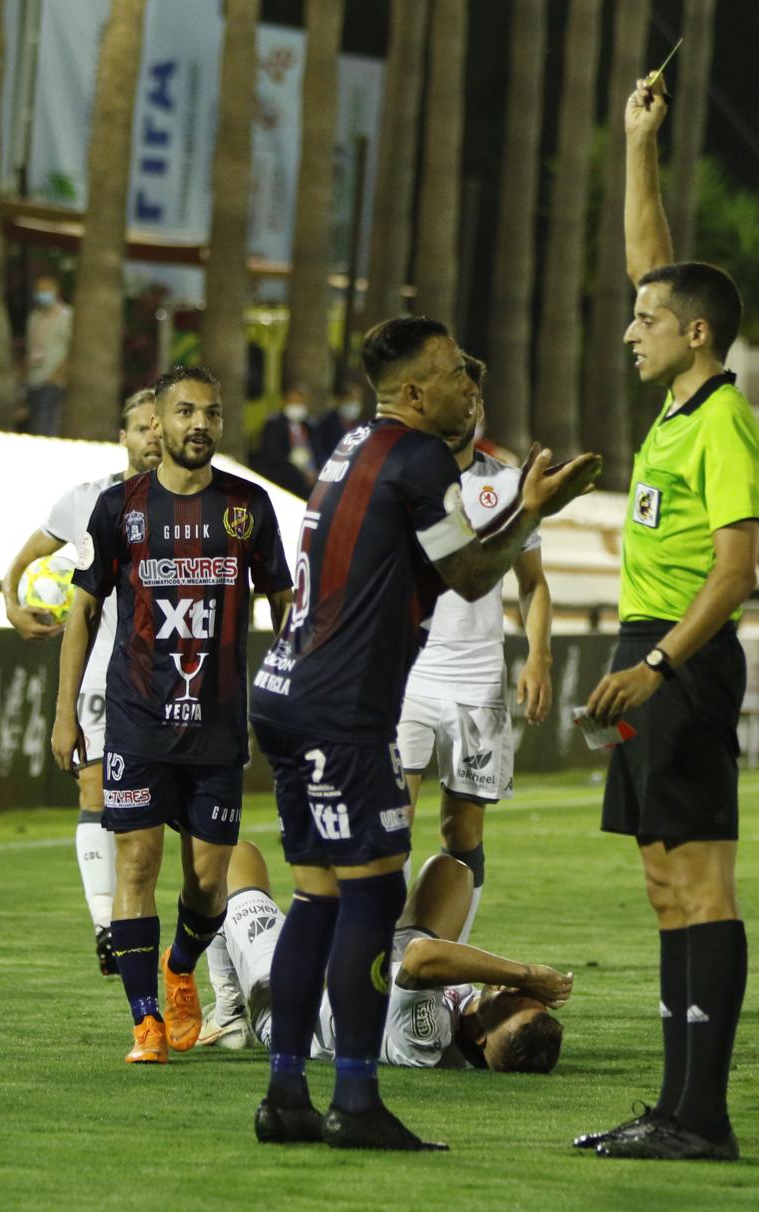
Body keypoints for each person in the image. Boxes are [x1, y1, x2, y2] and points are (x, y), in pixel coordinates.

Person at [248, 314, 598, 1152]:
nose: (467, 384)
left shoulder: (351, 449)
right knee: (372, 898)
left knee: (316, 897)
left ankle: (287, 1093)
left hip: (285, 691)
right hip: (343, 707)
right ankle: (356, 1102)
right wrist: (534, 507)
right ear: (413, 391)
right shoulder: (416, 458)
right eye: (451, 372)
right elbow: (473, 573)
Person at [572, 73, 759, 1164]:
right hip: (645, 652)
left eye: (647, 320)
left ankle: (703, 1118)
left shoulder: (724, 421)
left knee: (701, 883)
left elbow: (733, 573)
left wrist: (654, 661)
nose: (630, 326)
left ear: (695, 336)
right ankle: (673, 1108)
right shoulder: (677, 401)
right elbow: (652, 259)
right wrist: (639, 144)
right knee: (662, 883)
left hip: (680, 659)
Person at [53, 366, 293, 1067]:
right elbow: (83, 611)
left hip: (217, 724)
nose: (200, 425)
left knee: (207, 882)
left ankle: (181, 966)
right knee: (137, 861)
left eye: (212, 413)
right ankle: (145, 1022)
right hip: (135, 719)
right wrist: (66, 714)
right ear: (158, 422)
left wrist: (291, 683)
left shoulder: (248, 507)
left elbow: (284, 601)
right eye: (185, 412)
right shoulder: (118, 508)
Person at [396, 352, 553, 945]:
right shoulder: (403, 479)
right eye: (453, 393)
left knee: (463, 834)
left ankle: (447, 960)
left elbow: (533, 582)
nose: (464, 406)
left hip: (478, 680)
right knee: (391, 825)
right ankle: (387, 960)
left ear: (480, 407)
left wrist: (538, 654)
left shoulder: (507, 485)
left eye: (472, 396)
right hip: (405, 678)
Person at [5, 391, 161, 976]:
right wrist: (11, 602)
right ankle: (107, 931)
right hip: (103, 669)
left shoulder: (199, 501)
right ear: (122, 435)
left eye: (157, 424)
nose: (150, 434)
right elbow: (22, 561)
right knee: (93, 793)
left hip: (175, 678)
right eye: (139, 426)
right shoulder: (85, 501)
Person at [202, 842, 570, 1071]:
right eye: (528, 997)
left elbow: (420, 958)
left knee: (234, 856)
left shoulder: (426, 1040)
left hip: (298, 1001)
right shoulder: (467, 1017)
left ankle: (230, 1012)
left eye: (512, 1000)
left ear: (479, 1038)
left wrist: (525, 974)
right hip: (372, 973)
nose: (513, 989)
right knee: (453, 873)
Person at [25, 274, 72, 435]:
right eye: (39, 290)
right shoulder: (34, 316)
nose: (42, 293)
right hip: (33, 378)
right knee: (34, 424)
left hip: (53, 380)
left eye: (46, 289)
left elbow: (72, 349)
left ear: (55, 291)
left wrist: (58, 374)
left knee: (46, 425)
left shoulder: (67, 316)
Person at [252, 384, 320, 498]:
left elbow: (319, 452)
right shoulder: (274, 425)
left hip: (313, 476)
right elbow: (273, 456)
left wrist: (318, 471)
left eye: (300, 402)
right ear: (284, 402)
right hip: (288, 478)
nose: (297, 406)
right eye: (293, 402)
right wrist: (301, 474)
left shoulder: (310, 426)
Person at [312, 380, 367, 461]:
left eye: (356, 401)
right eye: (350, 400)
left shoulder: (362, 427)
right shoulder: (326, 423)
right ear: (341, 401)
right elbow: (319, 451)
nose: (353, 404)